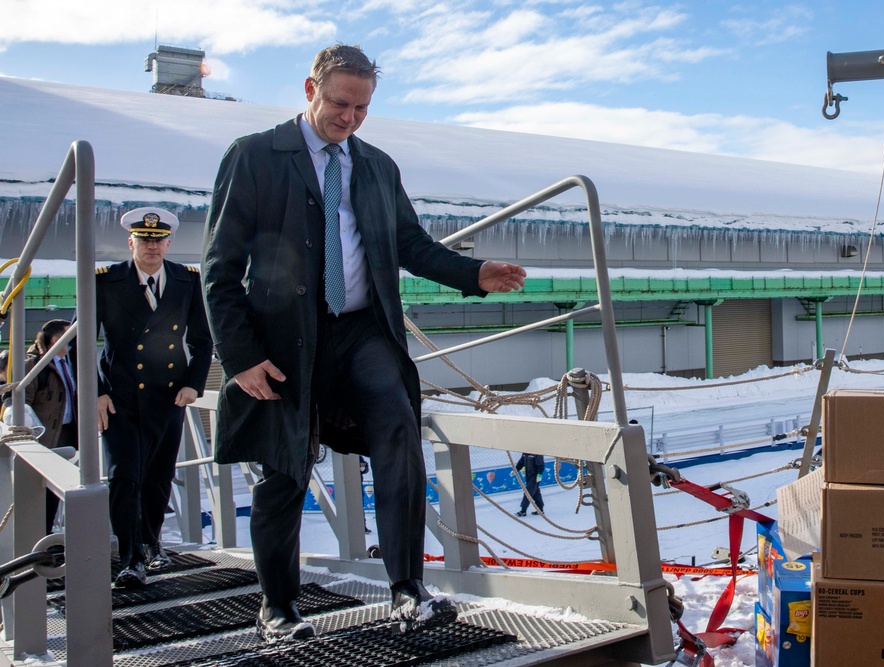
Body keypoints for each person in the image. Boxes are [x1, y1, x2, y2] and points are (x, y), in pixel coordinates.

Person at [202, 43, 526, 642]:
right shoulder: (254, 156)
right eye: (339, 103)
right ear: (309, 89)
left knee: (398, 429)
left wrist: (471, 275)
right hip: (283, 341)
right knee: (284, 468)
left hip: (361, 330)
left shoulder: (376, 166)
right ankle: (277, 606)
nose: (348, 118)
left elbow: (410, 243)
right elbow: (219, 268)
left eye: (362, 108)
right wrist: (239, 356)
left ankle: (408, 589)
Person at [94, 207, 213, 588]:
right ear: (131, 242)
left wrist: (193, 383)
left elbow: (201, 339)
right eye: (144, 240)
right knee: (124, 476)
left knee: (159, 476)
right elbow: (83, 342)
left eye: (159, 240)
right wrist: (96, 393)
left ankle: (151, 543)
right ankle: (130, 559)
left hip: (168, 395)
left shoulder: (186, 280)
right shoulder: (106, 281)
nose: (152, 246)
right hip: (121, 396)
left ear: (168, 243)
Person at [23, 319, 77, 533]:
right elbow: (21, 401)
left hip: (65, 433)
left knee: (55, 492)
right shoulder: (34, 365)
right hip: (43, 438)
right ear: (56, 340)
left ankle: (49, 535)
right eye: (69, 336)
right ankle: (39, 537)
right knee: (39, 493)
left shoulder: (69, 363)